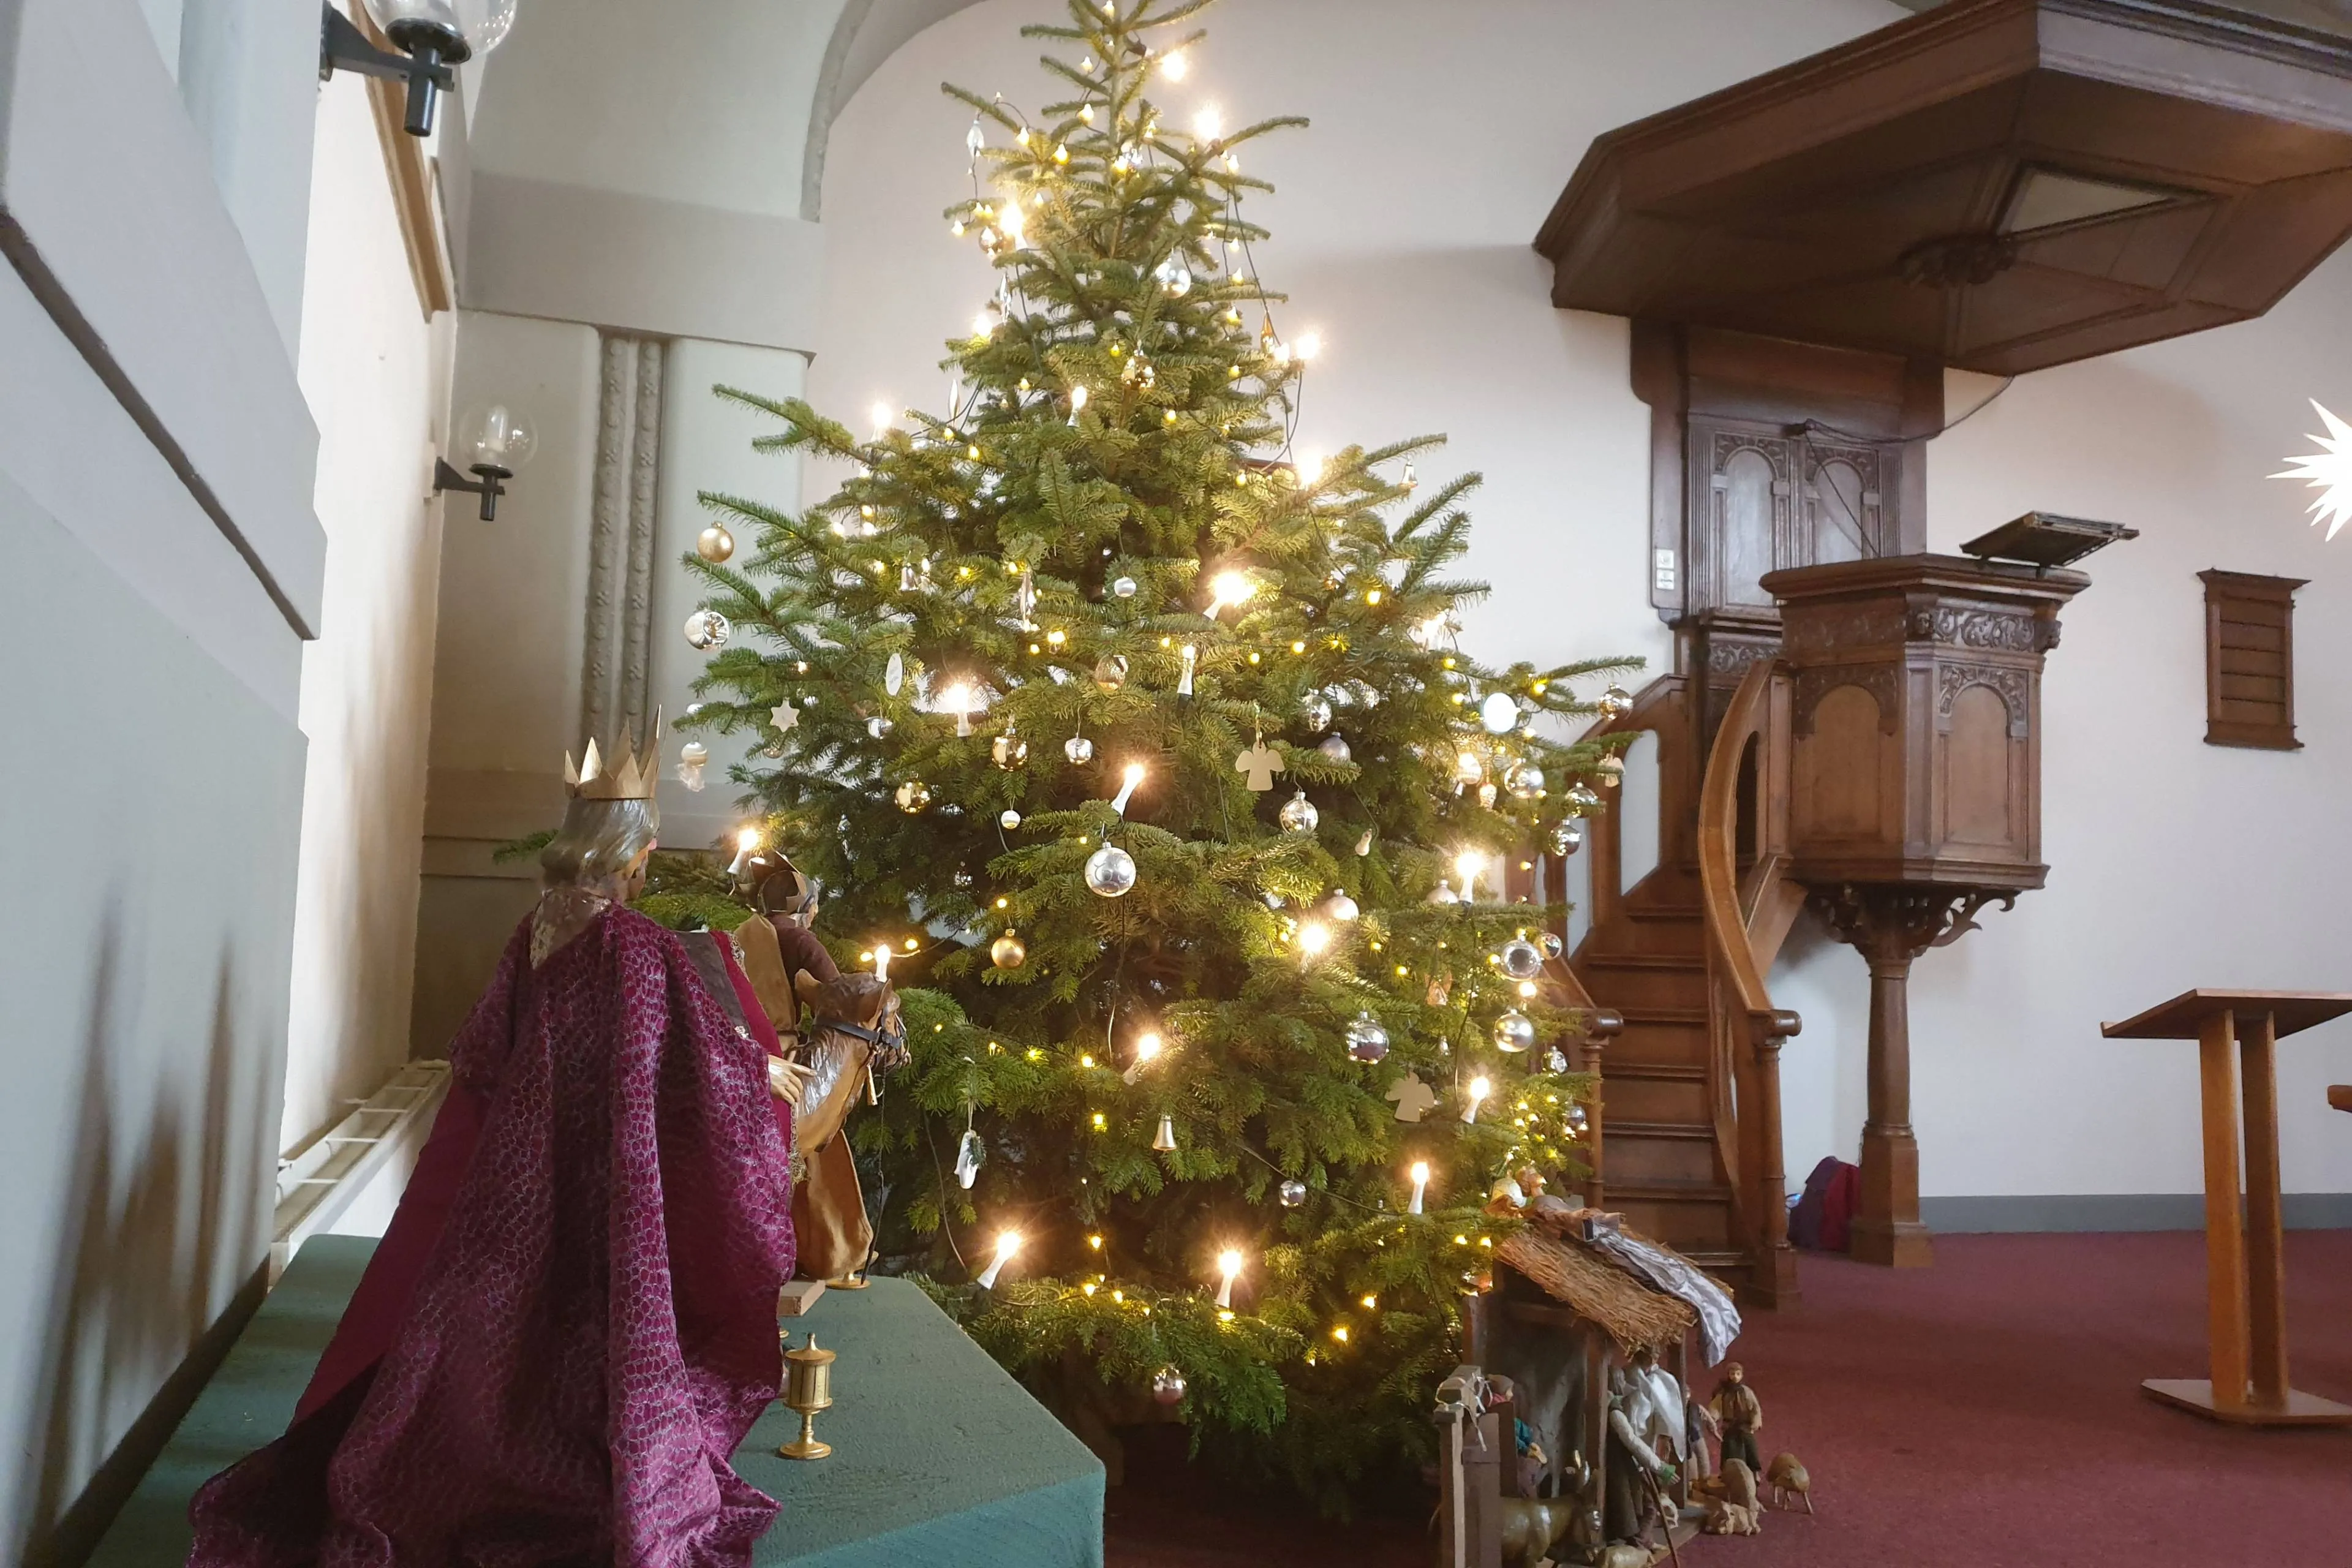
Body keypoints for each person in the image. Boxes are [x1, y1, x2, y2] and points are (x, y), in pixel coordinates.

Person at [187, 723, 797, 1568]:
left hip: (522, 1166)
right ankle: (587, 1468)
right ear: (638, 851)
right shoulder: (635, 942)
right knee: (596, 1321)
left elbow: (480, 1050)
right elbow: (694, 1057)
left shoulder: (541, 924)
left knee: (498, 1319)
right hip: (605, 1172)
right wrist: (759, 1075)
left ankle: (472, 1453)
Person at [1710, 1362, 1765, 1479]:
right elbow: (1716, 1407)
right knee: (1730, 1451)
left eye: (1738, 1374)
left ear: (1742, 1375)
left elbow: (1755, 1407)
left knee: (1751, 1448)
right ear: (1728, 1375)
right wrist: (1712, 1417)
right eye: (1732, 1374)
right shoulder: (1723, 1392)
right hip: (1730, 1426)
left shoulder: (1746, 1391)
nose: (1735, 1376)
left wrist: (1755, 1421)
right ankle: (1727, 1473)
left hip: (1745, 1426)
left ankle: (1755, 1474)